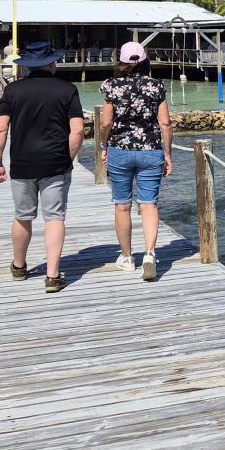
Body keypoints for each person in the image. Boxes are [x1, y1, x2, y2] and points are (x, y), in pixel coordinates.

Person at [0, 41, 85, 293]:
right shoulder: (68, 89)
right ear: (52, 62)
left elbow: (1, 128)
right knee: (54, 217)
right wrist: (69, 158)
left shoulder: (13, 90)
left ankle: (19, 267)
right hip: (56, 162)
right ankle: (52, 276)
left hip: (22, 161)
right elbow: (77, 130)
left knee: (23, 216)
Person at [97, 41, 172, 281]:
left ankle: (128, 258)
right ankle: (150, 254)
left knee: (122, 205)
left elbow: (105, 123)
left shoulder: (111, 86)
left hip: (120, 150)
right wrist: (167, 153)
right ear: (144, 60)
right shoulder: (156, 86)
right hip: (151, 150)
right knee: (149, 204)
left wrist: (103, 144)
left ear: (121, 60)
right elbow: (165, 123)